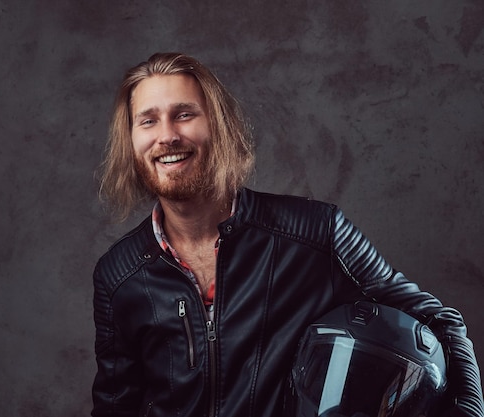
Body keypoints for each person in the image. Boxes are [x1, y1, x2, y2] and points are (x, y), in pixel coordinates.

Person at [91, 52, 483, 417]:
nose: (167, 136)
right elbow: (116, 407)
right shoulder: (119, 276)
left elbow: (438, 322)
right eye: (148, 120)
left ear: (218, 126)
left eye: (184, 114)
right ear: (132, 141)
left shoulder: (315, 232)